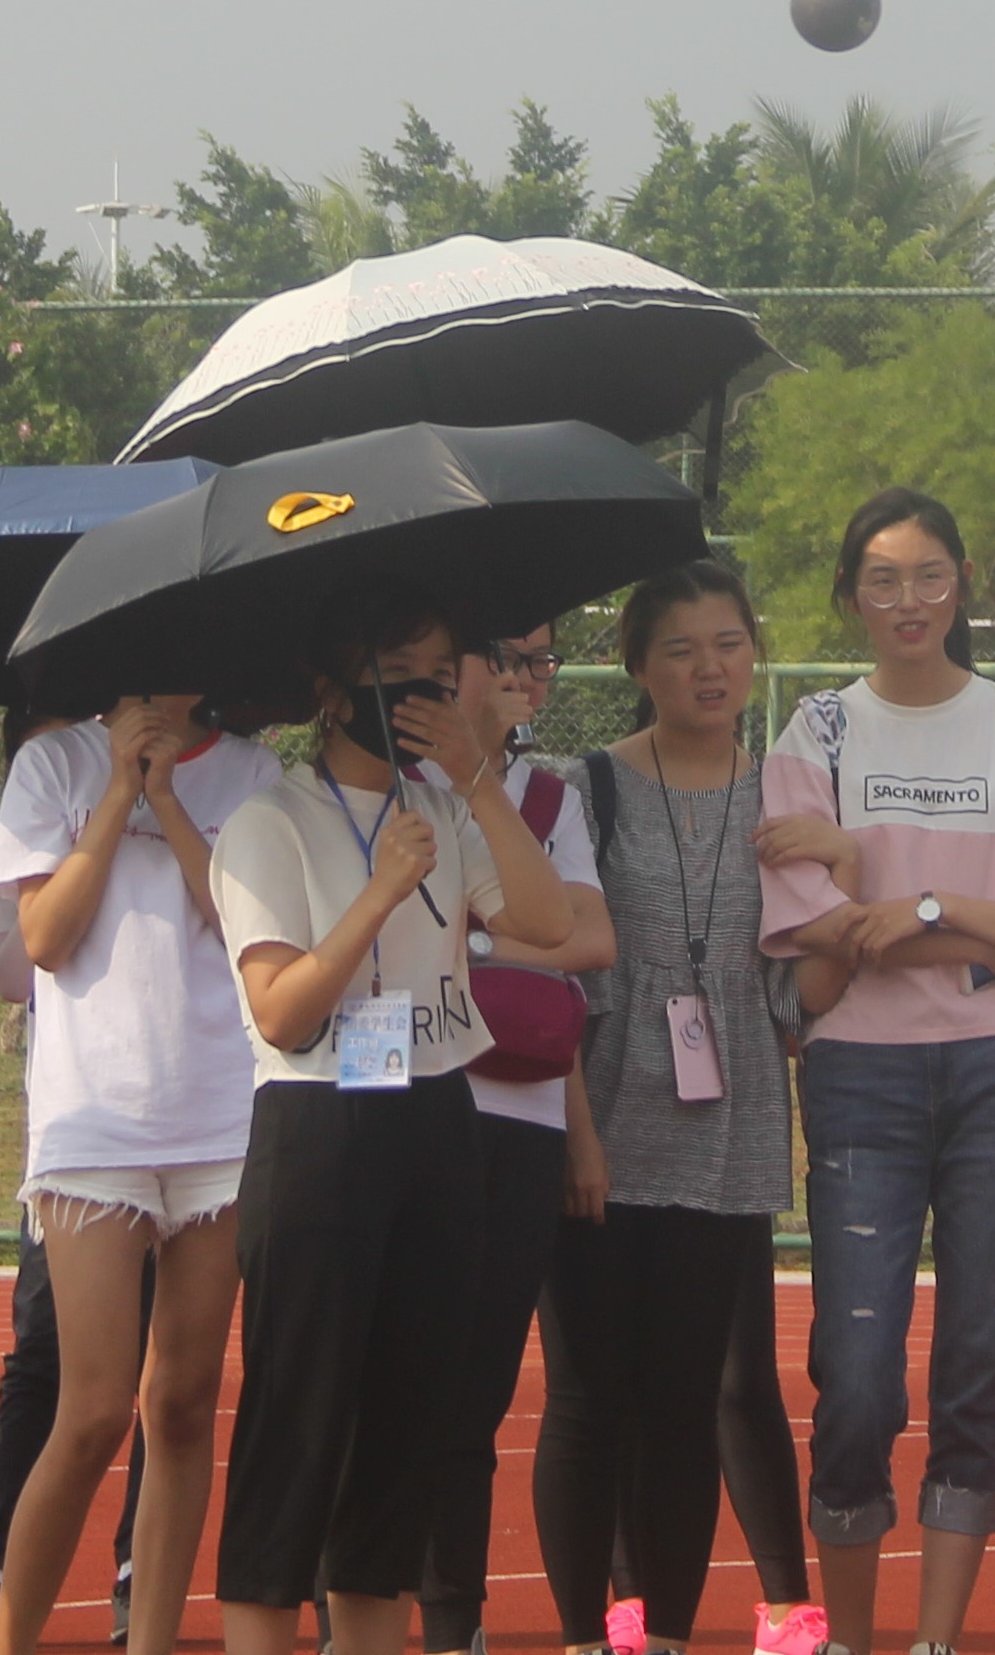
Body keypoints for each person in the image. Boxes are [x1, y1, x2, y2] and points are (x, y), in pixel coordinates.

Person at [760, 489, 995, 1655]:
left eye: (930, 576)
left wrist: (913, 904)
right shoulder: (813, 735)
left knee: (976, 1357)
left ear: (964, 582)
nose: (907, 600)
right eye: (881, 578)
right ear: (850, 594)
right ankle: (846, 1638)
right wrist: (974, 930)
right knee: (853, 1372)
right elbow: (818, 938)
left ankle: (933, 1639)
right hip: (861, 1074)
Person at [207, 581, 569, 1655]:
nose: (416, 693)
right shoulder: (270, 819)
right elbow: (281, 1006)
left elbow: (546, 921)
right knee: (299, 1420)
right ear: (330, 687)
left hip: (435, 1115)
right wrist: (378, 888)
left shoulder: (447, 807)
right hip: (320, 1129)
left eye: (436, 673)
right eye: (393, 672)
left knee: (408, 1424)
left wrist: (476, 785)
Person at [536, 566, 834, 1655]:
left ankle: (661, 1632)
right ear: (635, 666)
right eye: (679, 648)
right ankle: (582, 1632)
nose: (709, 667)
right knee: (585, 1398)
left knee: (681, 1404)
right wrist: (573, 1129)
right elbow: (555, 976)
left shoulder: (792, 800)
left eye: (728, 642)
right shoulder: (587, 790)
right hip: (598, 1136)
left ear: (755, 651)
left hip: (728, 1142)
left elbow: (798, 1000)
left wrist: (843, 890)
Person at [0, 690, 280, 1655]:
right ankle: (11, 1637)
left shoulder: (253, 772)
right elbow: (42, 939)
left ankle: (148, 1638)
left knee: (184, 1401)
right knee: (96, 1404)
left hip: (219, 1119)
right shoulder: (53, 765)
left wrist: (173, 797)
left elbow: (241, 925)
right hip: (94, 1120)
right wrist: (117, 789)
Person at [418, 627, 617, 1655]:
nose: (525, 675)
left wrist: (474, 937)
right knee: (390, 1370)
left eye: (543, 658)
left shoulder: (545, 799)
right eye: (506, 653)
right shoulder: (391, 783)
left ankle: (454, 1615)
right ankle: (349, 1597)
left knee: (479, 1383)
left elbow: (586, 939)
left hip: (523, 1111)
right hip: (410, 1103)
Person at [0, 709, 151, 1655]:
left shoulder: (191, 789)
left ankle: (136, 1569)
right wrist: (91, 851)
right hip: (76, 1130)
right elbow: (16, 966)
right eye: (58, 727)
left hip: (184, 1119)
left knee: (171, 1380)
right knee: (47, 1359)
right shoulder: (3, 836)